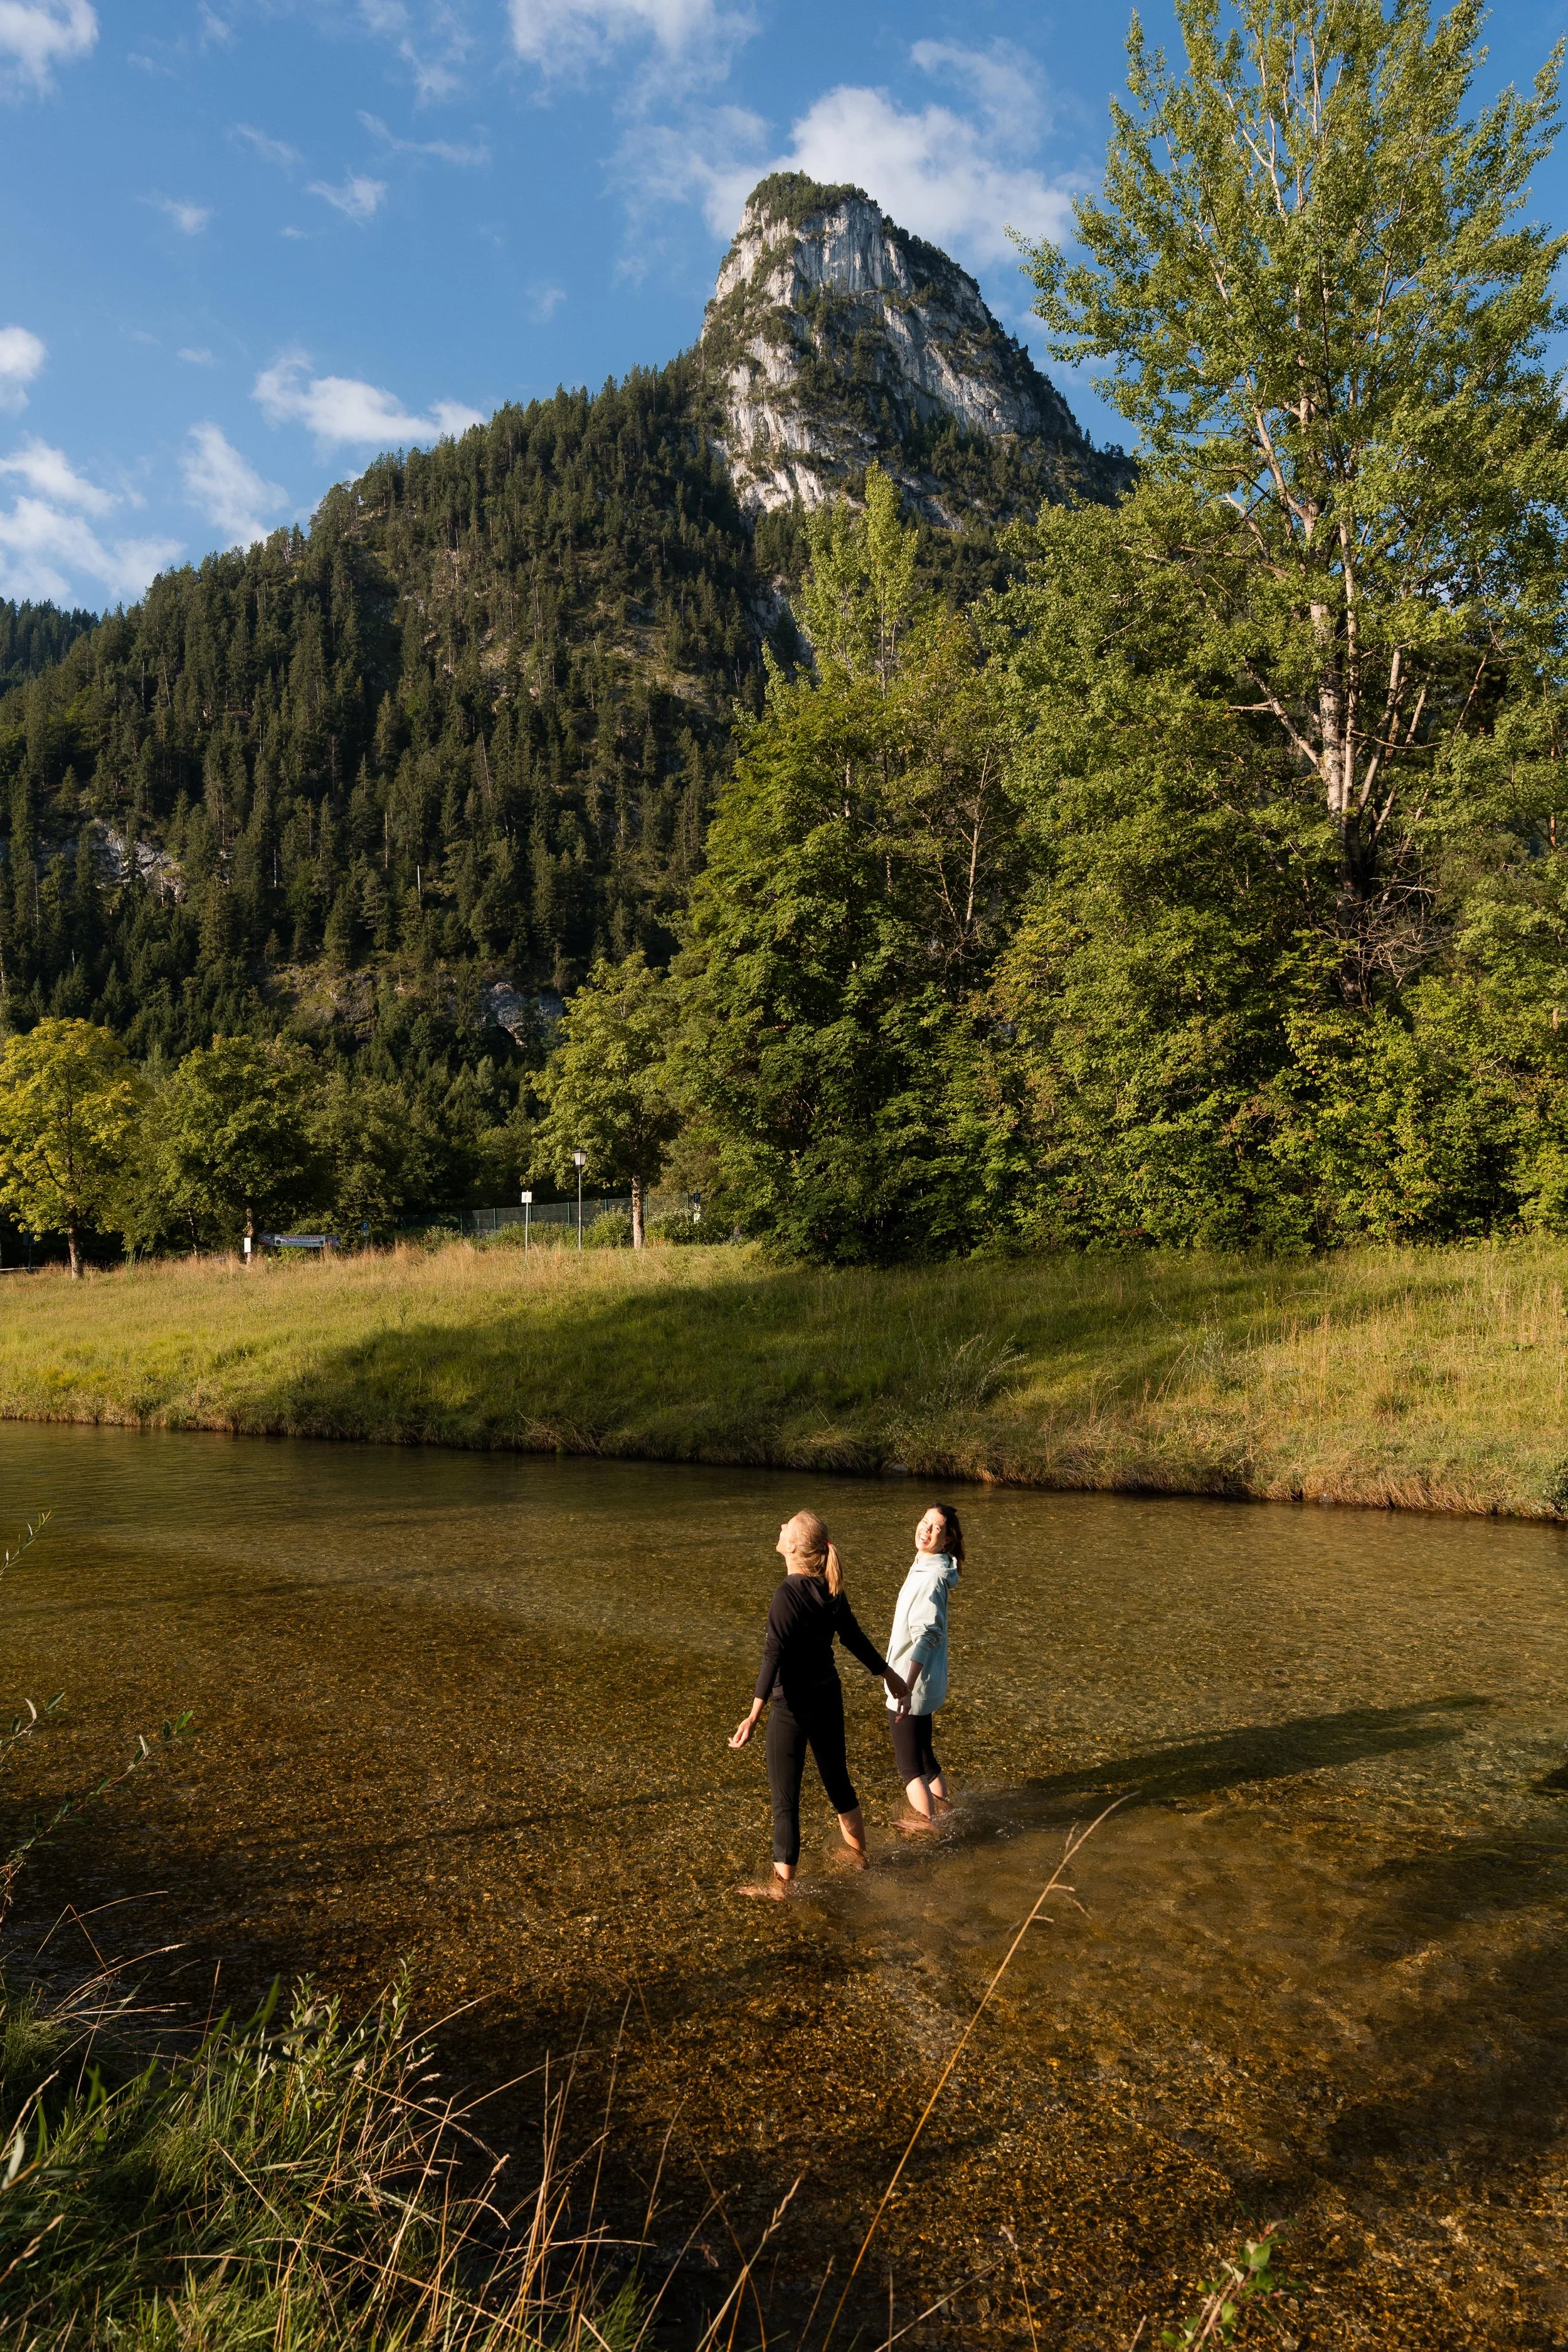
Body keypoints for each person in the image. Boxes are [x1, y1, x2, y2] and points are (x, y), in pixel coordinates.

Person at [729, 1509, 909, 1897]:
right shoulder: (830, 1589)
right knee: (839, 1784)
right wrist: (889, 1675)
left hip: (791, 1708)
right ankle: (861, 1859)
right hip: (828, 1697)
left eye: (786, 1526)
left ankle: (781, 1888)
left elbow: (772, 1656)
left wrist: (753, 1715)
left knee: (785, 1801)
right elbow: (854, 1638)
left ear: (793, 1546)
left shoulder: (786, 1594)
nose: (780, 1527)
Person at [884, 1504, 964, 1831]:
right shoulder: (928, 1564)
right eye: (925, 1522)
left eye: (936, 1528)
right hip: (922, 1684)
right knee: (926, 1760)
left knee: (909, 1769)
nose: (926, 1530)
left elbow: (927, 1636)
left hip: (909, 1684)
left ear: (946, 1540)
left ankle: (928, 1827)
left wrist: (905, 1686)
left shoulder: (930, 1577)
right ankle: (943, 1814)